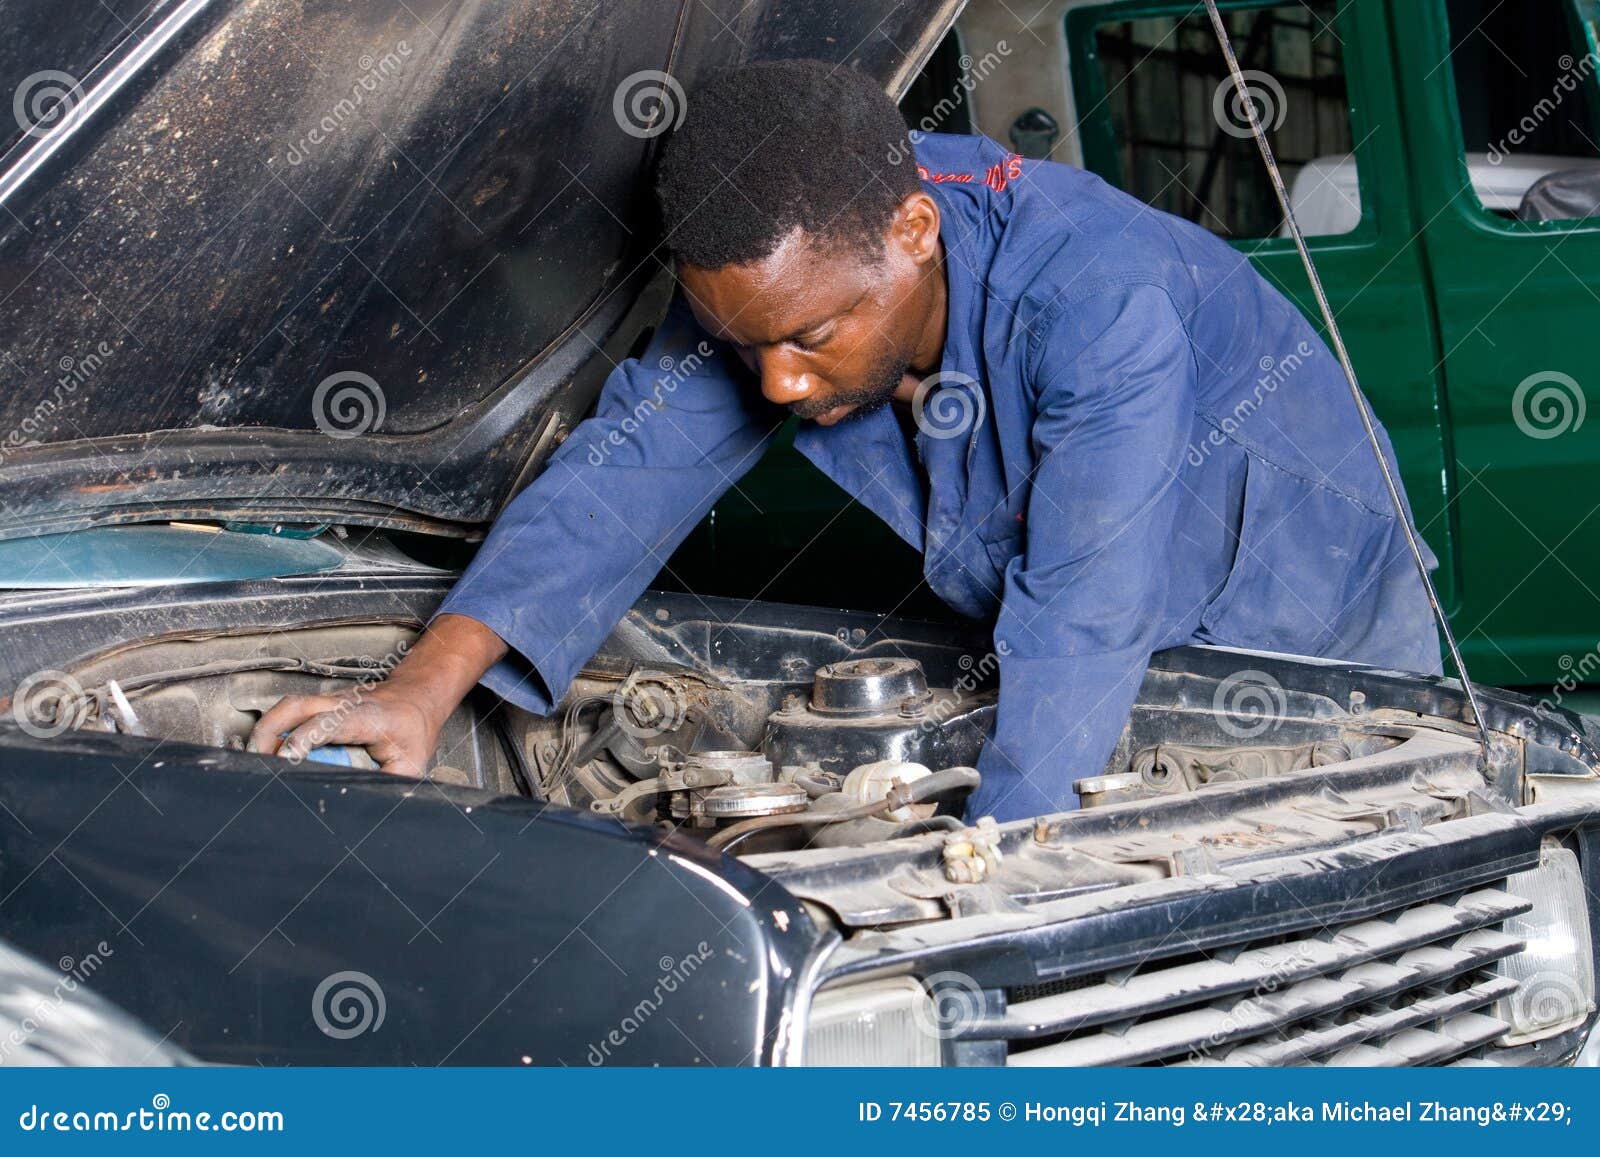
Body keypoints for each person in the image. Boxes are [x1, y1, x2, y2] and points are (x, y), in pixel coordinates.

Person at [249, 61, 1440, 823]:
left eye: (810, 335)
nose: (774, 377)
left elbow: (1082, 611)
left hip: (1302, 593)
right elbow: (618, 477)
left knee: (1332, 893)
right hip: (1092, 614)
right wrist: (419, 691)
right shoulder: (782, 286)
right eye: (741, 340)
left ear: (914, 229)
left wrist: (990, 876)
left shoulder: (1093, 296)